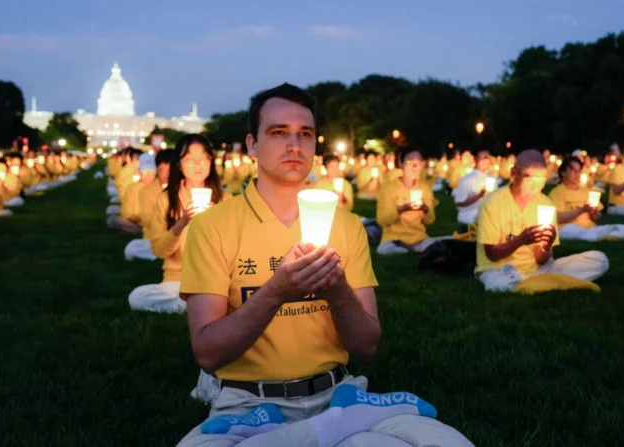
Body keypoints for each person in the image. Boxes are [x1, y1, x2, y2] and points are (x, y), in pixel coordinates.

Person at [176, 84, 473, 447]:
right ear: (252, 144)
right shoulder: (212, 226)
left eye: (305, 134)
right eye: (279, 132)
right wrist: (277, 291)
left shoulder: (346, 225)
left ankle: (324, 426)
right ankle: (337, 427)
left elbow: (366, 345)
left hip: (336, 393)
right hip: (247, 403)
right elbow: (208, 354)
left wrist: (337, 290)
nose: (294, 145)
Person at [475, 149, 609, 292]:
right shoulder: (492, 202)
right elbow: (492, 254)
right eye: (530, 178)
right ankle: (546, 283)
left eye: (541, 179)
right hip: (501, 269)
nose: (536, 185)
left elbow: (542, 259)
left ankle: (535, 284)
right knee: (499, 284)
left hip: (538, 268)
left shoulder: (545, 204)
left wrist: (546, 246)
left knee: (599, 260)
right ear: (513, 174)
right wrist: (520, 240)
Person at [128, 134, 231, 313]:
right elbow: (159, 251)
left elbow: (233, 251)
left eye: (203, 158)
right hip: (178, 280)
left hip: (215, 278)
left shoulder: (226, 199)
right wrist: (181, 224)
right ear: (179, 164)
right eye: (190, 159)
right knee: (137, 297)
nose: (198, 164)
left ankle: (198, 304)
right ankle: (198, 305)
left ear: (210, 161)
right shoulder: (167, 200)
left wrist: (215, 221)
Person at [376, 145, 449, 255]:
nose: (415, 166)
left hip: (418, 238)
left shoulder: (425, 188)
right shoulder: (389, 188)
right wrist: (400, 209)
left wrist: (425, 209)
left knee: (448, 241)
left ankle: (411, 250)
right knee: (383, 249)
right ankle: (409, 251)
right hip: (394, 239)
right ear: (401, 163)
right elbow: (382, 220)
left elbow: (430, 220)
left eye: (419, 163)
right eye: (410, 162)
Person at [549, 156, 624, 242]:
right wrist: (581, 210)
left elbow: (598, 217)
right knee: (571, 229)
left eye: (579, 171)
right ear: (563, 172)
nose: (578, 174)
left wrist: (594, 213)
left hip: (590, 228)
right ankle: (599, 238)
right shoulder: (556, 192)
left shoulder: (587, 191)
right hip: (568, 228)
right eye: (574, 171)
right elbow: (557, 218)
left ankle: (594, 238)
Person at [124, 149, 173, 261]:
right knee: (131, 248)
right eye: (161, 170)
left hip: (179, 239)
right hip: (156, 239)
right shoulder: (147, 191)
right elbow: (147, 220)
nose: (166, 175)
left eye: (170, 170)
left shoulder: (182, 188)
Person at [108, 152, 156, 234]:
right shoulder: (133, 187)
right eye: (146, 172)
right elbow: (127, 213)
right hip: (137, 222)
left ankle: (141, 231)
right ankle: (141, 231)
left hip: (154, 223)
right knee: (112, 219)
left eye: (152, 172)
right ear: (139, 171)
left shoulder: (157, 187)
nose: (149, 175)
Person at [452, 150, 497, 225]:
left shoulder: (491, 178)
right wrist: (479, 196)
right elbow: (459, 203)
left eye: (488, 157)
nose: (486, 160)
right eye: (484, 157)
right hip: (469, 214)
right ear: (476, 159)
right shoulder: (466, 179)